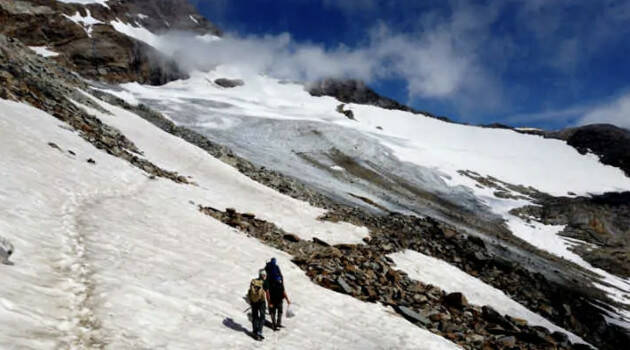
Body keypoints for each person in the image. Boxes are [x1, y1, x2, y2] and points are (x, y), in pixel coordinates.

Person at [265, 258, 290, 330]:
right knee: (279, 311)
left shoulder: (268, 269)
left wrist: (269, 302)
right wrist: (287, 299)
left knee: (273, 312)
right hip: (279, 299)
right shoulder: (280, 282)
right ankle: (277, 323)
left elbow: (268, 293)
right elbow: (283, 291)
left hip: (273, 299)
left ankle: (274, 324)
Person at [247, 269, 269, 341]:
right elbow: (267, 293)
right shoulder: (265, 282)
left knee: (255, 316)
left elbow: (250, 292)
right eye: (264, 275)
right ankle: (259, 331)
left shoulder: (254, 281)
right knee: (262, 317)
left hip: (254, 301)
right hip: (261, 302)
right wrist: (269, 302)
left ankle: (255, 331)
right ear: (263, 275)